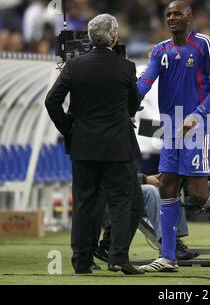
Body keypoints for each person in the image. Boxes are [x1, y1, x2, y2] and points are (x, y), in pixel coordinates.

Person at [136, 0, 210, 272]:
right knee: (167, 185)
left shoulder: (204, 44)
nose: (171, 18)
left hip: (199, 128)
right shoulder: (160, 50)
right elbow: (145, 82)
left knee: (197, 191)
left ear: (190, 17)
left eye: (177, 13)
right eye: (168, 14)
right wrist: (129, 102)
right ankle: (168, 257)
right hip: (170, 127)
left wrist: (197, 115)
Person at [45, 14, 144, 275]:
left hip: (84, 145)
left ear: (90, 37)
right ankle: (118, 258)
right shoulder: (126, 67)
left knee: (84, 203)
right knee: (121, 202)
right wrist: (125, 113)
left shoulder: (74, 66)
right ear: (113, 38)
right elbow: (134, 103)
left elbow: (51, 101)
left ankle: (82, 261)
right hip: (117, 146)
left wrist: (69, 127)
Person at [94, 173, 199, 262]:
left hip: (124, 185)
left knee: (170, 189)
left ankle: (174, 240)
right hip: (110, 190)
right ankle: (169, 244)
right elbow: (114, 173)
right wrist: (144, 179)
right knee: (150, 191)